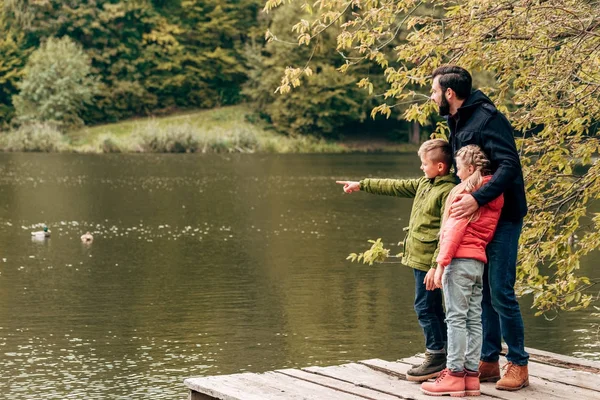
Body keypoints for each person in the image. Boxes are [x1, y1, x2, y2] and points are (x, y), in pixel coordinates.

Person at [429, 65, 529, 391]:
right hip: (478, 217)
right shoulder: (456, 120)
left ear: (449, 93)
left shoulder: (488, 118)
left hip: (503, 215)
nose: (432, 97)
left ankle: (518, 363)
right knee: (481, 291)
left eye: (434, 91)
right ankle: (487, 359)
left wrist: (477, 199)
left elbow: (509, 166)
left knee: (500, 289)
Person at [336, 139, 456, 382]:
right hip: (421, 259)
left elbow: (446, 232)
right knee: (431, 308)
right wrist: (362, 185)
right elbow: (396, 186)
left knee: (425, 308)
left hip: (429, 263)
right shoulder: (426, 183)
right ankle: (444, 352)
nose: (422, 168)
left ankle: (436, 355)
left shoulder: (447, 191)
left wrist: (436, 266)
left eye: (424, 164)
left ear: (441, 167)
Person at [420, 145, 503, 397]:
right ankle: (470, 377)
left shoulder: (466, 193)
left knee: (455, 318)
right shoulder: (492, 194)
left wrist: (440, 265)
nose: (456, 173)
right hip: (477, 263)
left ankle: (454, 374)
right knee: (473, 319)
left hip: (458, 261)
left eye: (458, 168)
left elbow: (454, 231)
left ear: (470, 168)